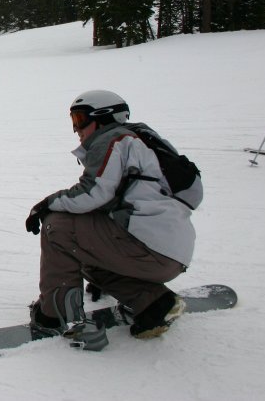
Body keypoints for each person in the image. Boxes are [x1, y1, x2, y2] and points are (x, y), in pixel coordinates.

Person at [24, 90, 202, 351]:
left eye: (80, 119)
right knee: (83, 247)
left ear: (103, 118)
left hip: (146, 249)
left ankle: (54, 317)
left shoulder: (114, 139)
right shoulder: (141, 141)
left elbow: (93, 193)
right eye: (73, 120)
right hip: (169, 254)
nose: (76, 129)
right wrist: (101, 273)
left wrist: (44, 206)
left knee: (57, 225)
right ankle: (154, 304)